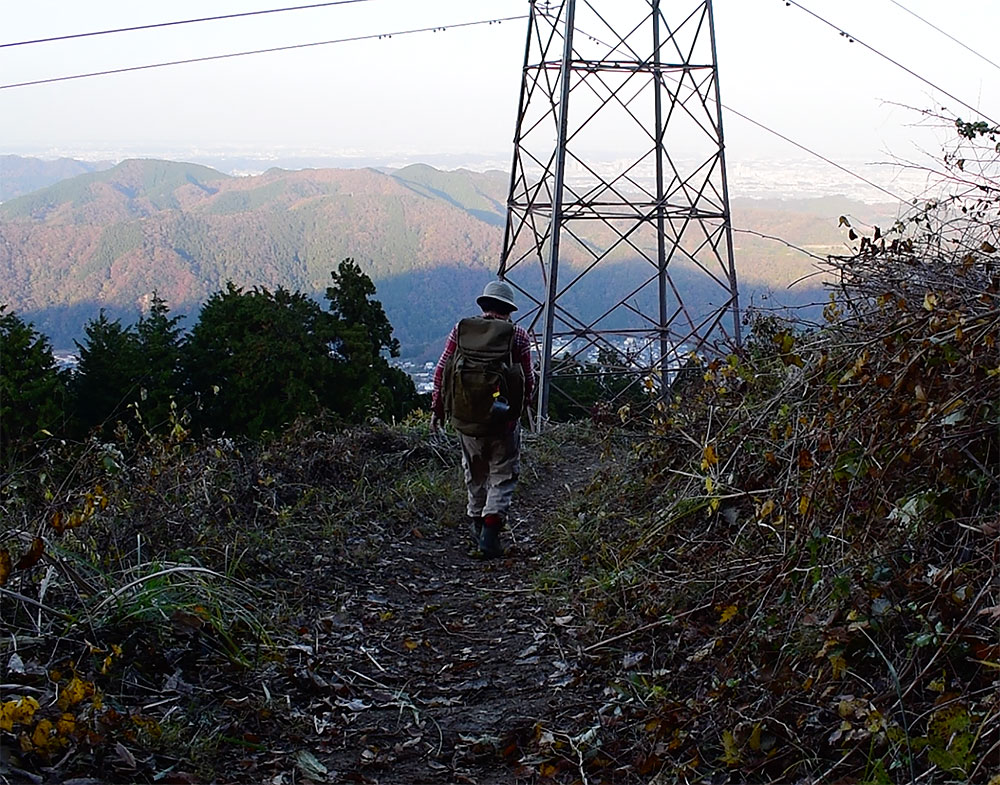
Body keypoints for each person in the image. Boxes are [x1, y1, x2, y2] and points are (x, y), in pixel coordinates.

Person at [430, 280, 534, 558]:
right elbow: (527, 379)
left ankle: (477, 528)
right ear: (509, 310)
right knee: (502, 474)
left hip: (466, 420)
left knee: (474, 473)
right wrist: (519, 410)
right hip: (503, 423)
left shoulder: (462, 330)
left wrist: (438, 409)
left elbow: (442, 371)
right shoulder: (518, 335)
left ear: (484, 305)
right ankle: (490, 534)